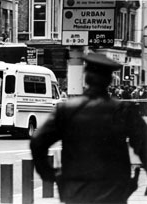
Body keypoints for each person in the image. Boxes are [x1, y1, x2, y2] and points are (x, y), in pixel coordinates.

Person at [30, 53, 147, 204]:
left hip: (76, 189)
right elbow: (144, 145)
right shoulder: (124, 110)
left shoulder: (67, 110)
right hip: (113, 189)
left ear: (85, 78)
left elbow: (37, 141)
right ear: (109, 80)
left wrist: (50, 175)